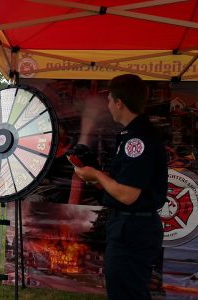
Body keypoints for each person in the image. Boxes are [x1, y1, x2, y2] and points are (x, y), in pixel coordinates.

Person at [74, 74, 167, 300]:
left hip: (132, 228)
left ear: (119, 103)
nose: (107, 105)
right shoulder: (132, 135)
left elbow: (127, 195)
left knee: (125, 293)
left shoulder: (137, 139)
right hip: (130, 226)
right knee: (128, 290)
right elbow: (123, 183)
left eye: (109, 100)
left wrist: (95, 174)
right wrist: (96, 175)